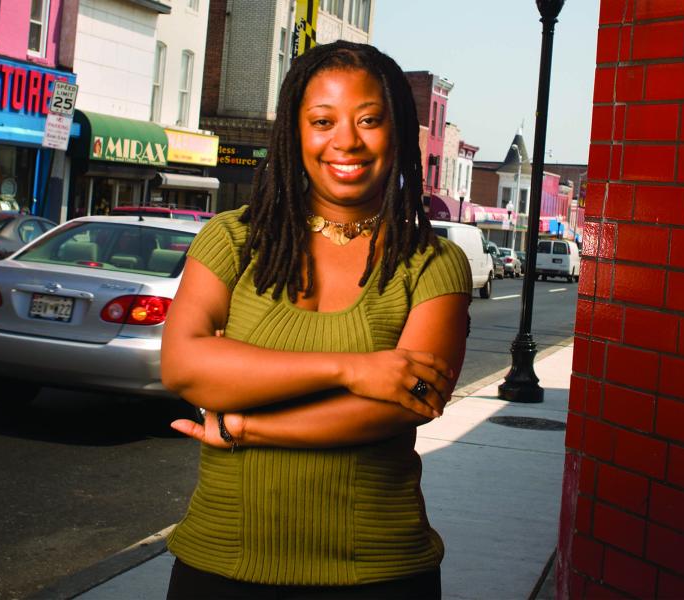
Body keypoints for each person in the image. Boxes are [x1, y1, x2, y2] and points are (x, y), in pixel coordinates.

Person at [160, 41, 472, 599]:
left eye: (369, 120)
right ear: (295, 134)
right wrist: (353, 370)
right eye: (322, 120)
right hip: (222, 561)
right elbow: (185, 365)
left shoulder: (432, 263)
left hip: (377, 569)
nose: (346, 141)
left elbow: (402, 404)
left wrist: (246, 425)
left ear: (399, 130)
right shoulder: (236, 240)